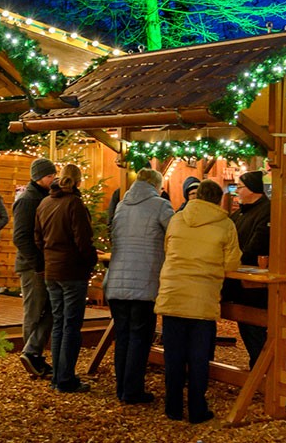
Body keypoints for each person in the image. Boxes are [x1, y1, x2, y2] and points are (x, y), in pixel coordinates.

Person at [156, 180, 240, 424]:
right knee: (198, 357)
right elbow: (232, 263)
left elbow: (167, 247)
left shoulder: (176, 218)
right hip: (203, 298)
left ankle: (172, 407)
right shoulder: (226, 224)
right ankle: (196, 409)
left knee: (173, 356)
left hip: (173, 293)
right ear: (218, 200)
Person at [104, 168, 172, 404]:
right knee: (140, 337)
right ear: (156, 185)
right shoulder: (161, 206)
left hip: (116, 282)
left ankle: (121, 387)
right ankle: (132, 391)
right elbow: (174, 235)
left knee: (122, 337)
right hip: (145, 279)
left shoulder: (122, 205)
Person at [34, 163, 97, 393]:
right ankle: (66, 378)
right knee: (71, 325)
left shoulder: (45, 202)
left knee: (59, 323)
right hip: (72, 272)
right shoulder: (75, 204)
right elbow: (83, 241)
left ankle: (57, 377)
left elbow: (37, 238)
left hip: (52, 270)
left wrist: (48, 257)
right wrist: (90, 261)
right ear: (79, 181)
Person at [12, 157, 57, 380]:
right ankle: (30, 356)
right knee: (34, 310)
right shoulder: (28, 200)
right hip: (32, 266)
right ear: (40, 176)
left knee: (48, 309)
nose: (54, 178)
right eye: (51, 175)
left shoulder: (41, 197)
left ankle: (34, 353)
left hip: (41, 264)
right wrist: (37, 264)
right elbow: (20, 237)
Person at [223, 170, 270, 367]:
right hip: (238, 280)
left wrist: (233, 259)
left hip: (254, 285)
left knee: (254, 330)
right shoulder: (241, 212)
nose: (236, 192)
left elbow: (256, 246)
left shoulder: (266, 211)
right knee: (247, 329)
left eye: (239, 187)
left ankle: (262, 372)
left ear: (253, 189)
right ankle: (258, 370)